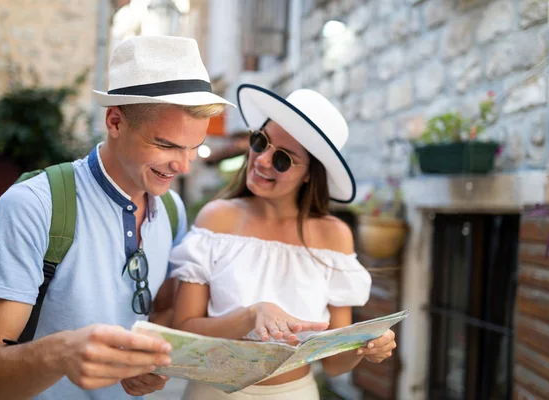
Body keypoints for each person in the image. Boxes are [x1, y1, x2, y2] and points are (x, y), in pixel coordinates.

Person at [0, 35, 233, 400]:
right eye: (166, 145)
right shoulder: (32, 206)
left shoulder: (172, 209)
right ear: (115, 121)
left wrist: (149, 364)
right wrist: (60, 354)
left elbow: (162, 310)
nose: (182, 165)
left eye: (194, 147)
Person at [169, 84, 397, 399]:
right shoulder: (216, 218)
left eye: (283, 159)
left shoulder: (334, 236)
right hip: (212, 391)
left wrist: (367, 346)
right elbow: (185, 331)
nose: (262, 160)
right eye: (260, 142)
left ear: (309, 174)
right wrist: (251, 315)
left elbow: (333, 364)